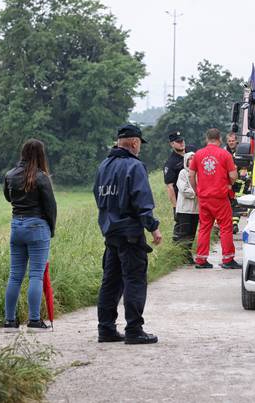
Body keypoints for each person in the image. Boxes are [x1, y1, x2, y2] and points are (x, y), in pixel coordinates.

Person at [93, 124, 163, 344]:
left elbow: (98, 196)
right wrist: (153, 227)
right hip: (130, 233)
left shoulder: (104, 166)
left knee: (110, 281)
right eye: (140, 143)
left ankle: (105, 329)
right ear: (134, 143)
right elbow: (142, 201)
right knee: (134, 280)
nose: (140, 147)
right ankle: (134, 329)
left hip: (110, 232)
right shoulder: (134, 166)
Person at [3, 139, 57, 332]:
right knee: (35, 274)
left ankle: (9, 321)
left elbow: (9, 198)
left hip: (16, 225)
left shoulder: (10, 175)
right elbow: (50, 206)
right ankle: (34, 321)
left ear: (23, 153)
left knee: (15, 276)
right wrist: (51, 229)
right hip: (37, 226)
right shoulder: (41, 177)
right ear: (40, 155)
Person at [189, 128, 241, 269]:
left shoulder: (198, 155)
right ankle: (227, 259)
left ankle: (201, 260)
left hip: (204, 198)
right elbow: (233, 176)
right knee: (225, 227)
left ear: (207, 139)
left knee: (204, 228)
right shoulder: (225, 154)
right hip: (220, 197)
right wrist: (229, 184)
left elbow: (191, 175)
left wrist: (197, 190)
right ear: (220, 139)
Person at [176, 152, 199, 262]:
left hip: (196, 210)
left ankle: (187, 254)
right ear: (186, 161)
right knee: (184, 234)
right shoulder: (183, 173)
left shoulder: (199, 173)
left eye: (194, 158)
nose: (192, 160)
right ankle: (182, 256)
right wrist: (197, 192)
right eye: (190, 158)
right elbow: (184, 190)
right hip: (184, 209)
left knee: (192, 234)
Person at [164, 130, 186, 242]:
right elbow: (170, 186)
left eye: (182, 140)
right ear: (172, 144)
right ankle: (178, 253)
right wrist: (175, 207)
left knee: (191, 229)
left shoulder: (190, 154)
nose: (181, 143)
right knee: (181, 230)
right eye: (178, 141)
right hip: (181, 201)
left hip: (194, 198)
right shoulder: (171, 163)